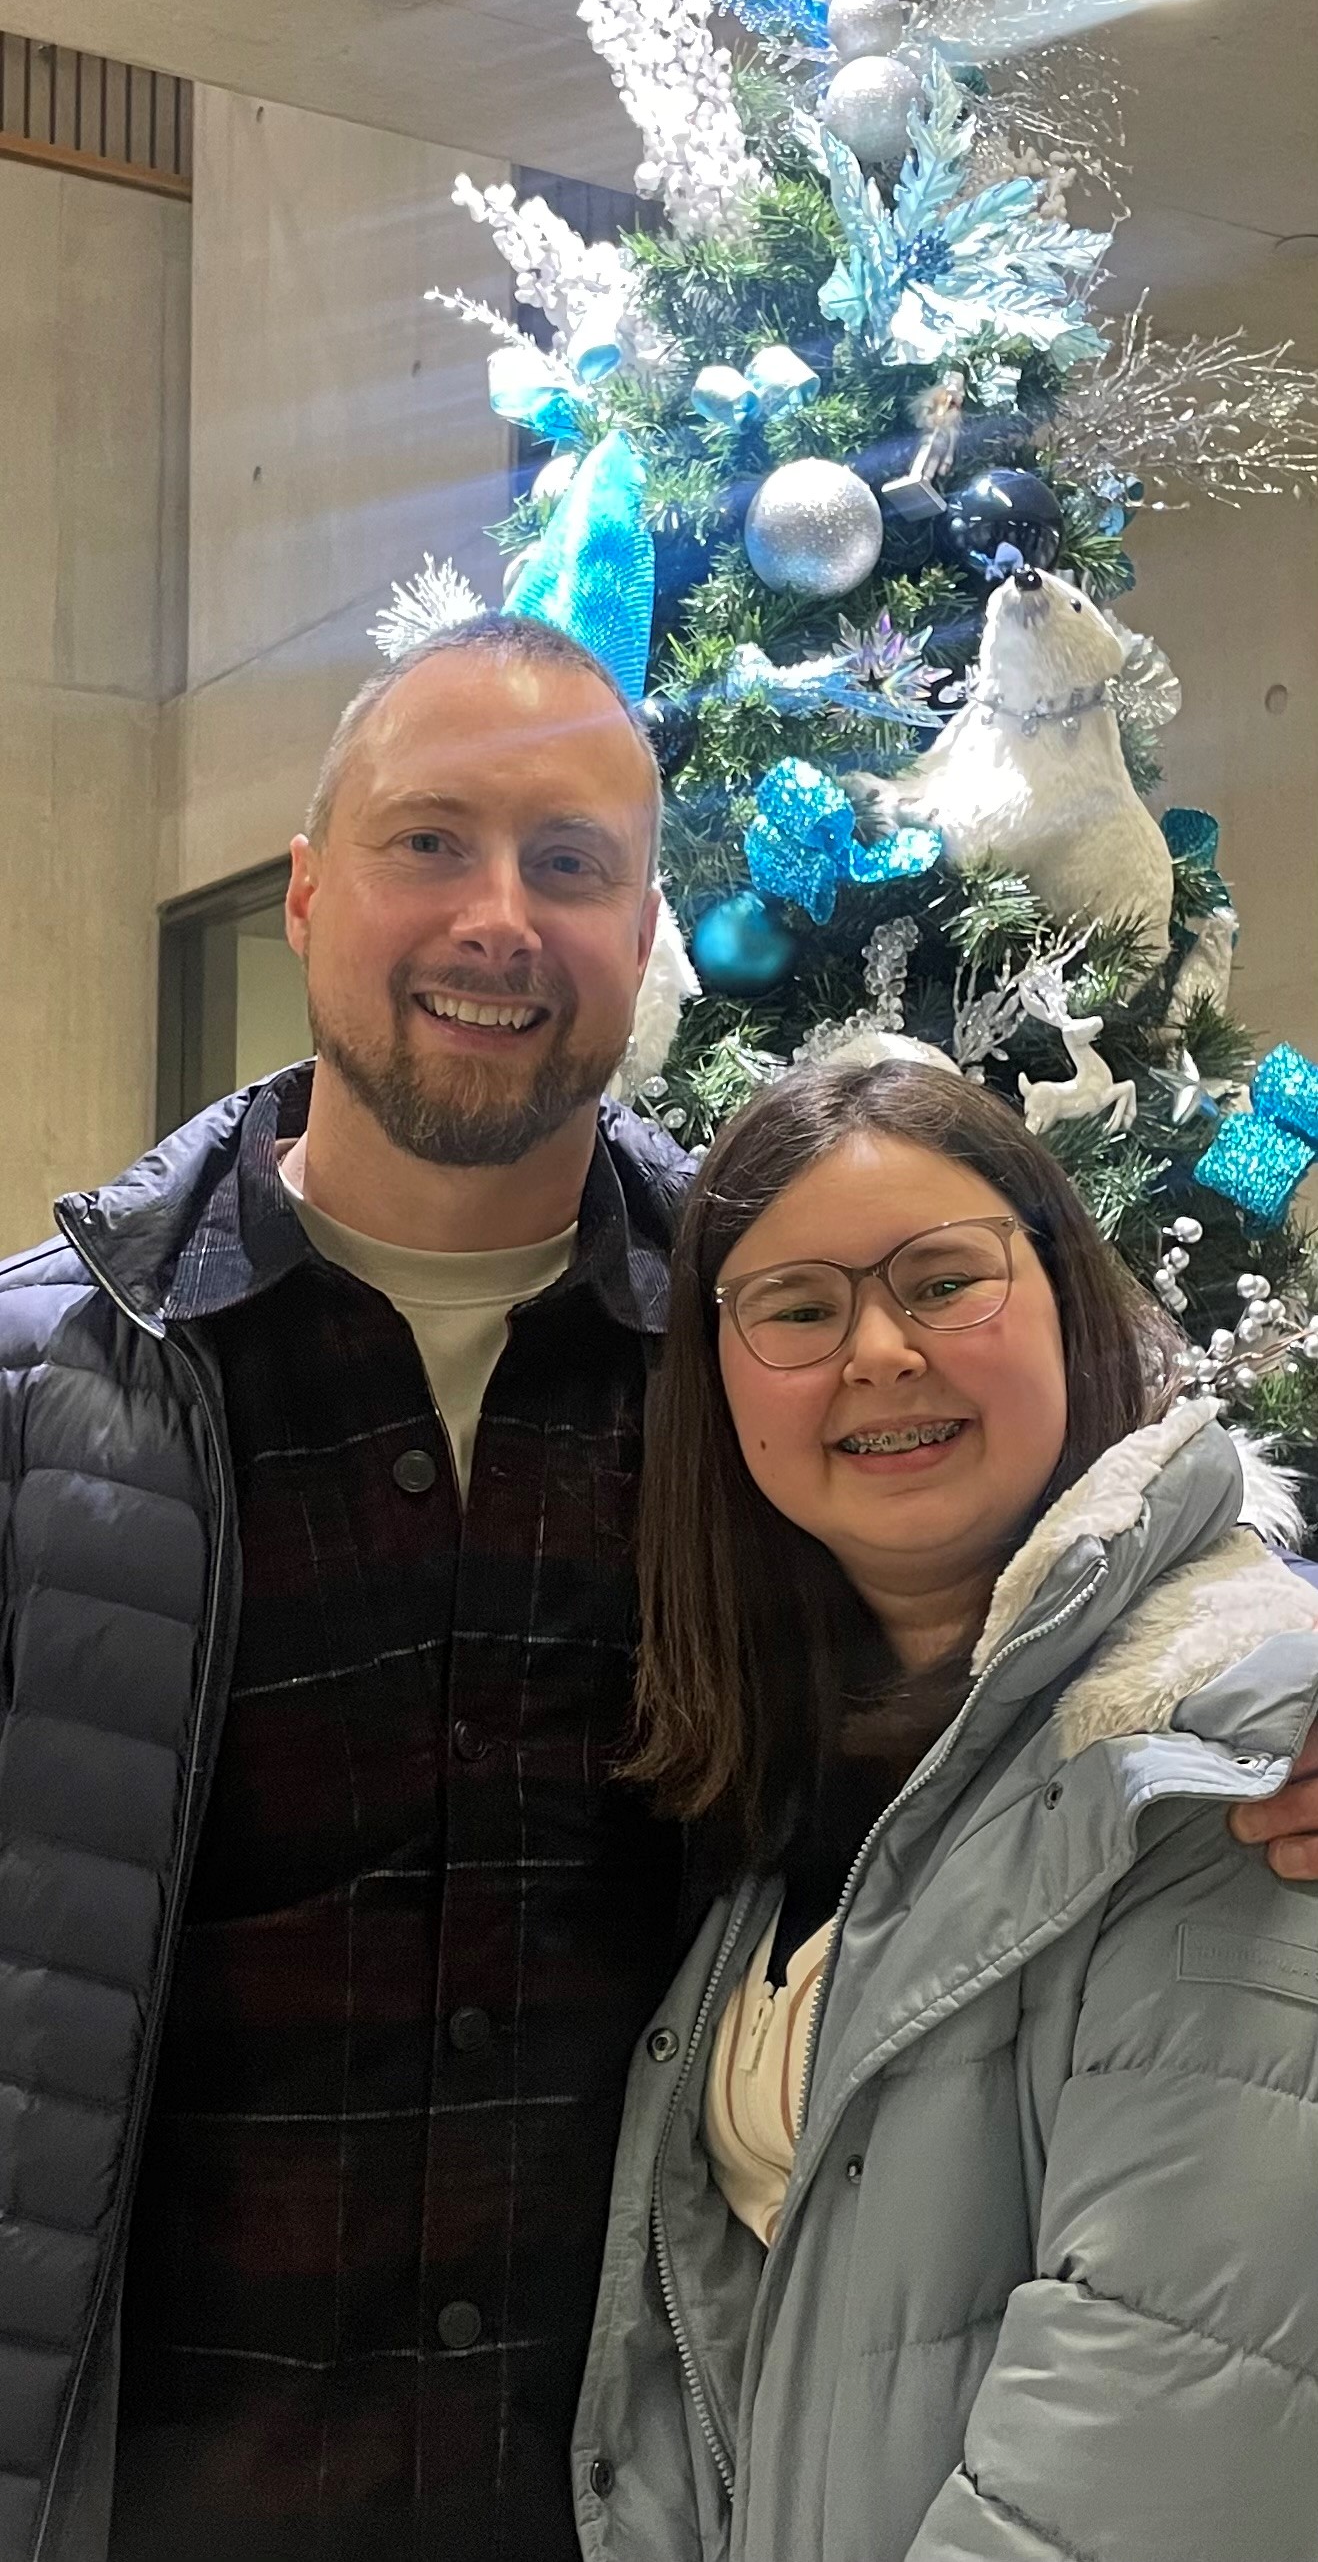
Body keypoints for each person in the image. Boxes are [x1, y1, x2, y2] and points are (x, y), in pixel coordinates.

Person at [1, 620, 1315, 2562]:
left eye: (569, 860)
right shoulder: (45, 1402)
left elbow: (1059, 1625)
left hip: (625, 2504)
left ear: (642, 932)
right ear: (302, 890)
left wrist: (1271, 1694)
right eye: (426, 840)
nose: (496, 915)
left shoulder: (749, 1371)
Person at [574, 1060, 1318, 2562]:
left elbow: (1159, 2426)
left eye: (942, 1281)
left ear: (1064, 1293)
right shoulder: (777, 1765)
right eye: (794, 1306)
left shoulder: (1231, 1741)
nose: (877, 1351)